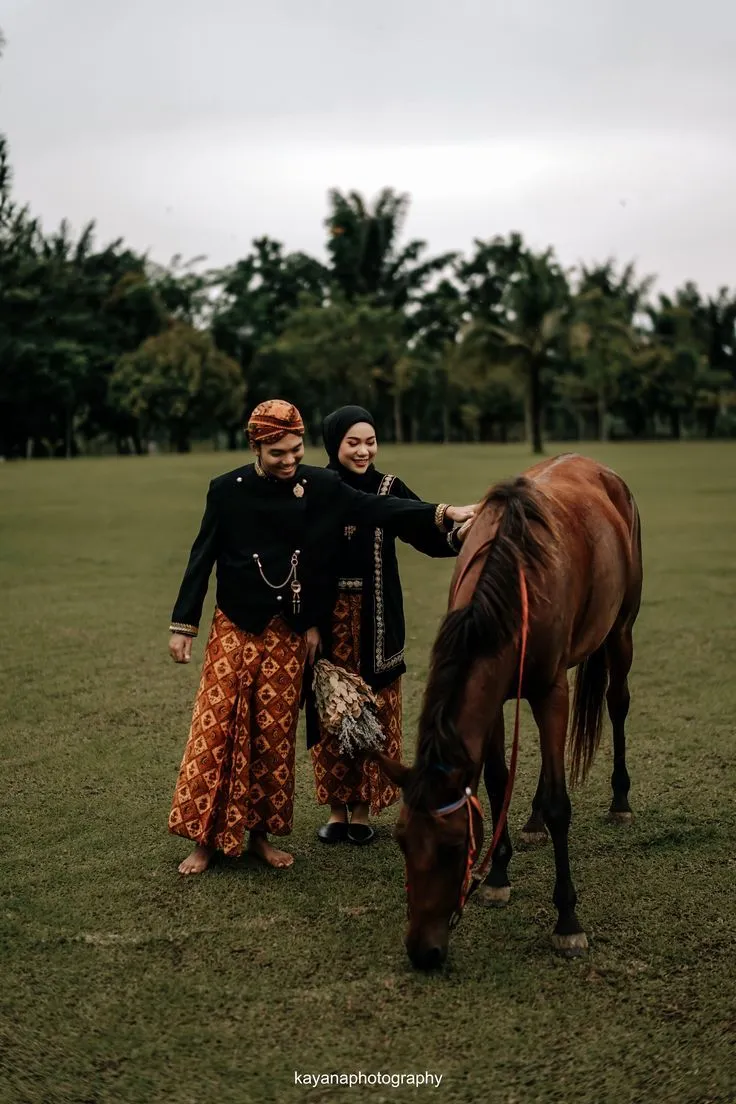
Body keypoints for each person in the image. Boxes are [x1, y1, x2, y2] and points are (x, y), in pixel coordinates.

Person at [167, 399, 474, 875]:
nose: (289, 460)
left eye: (296, 450)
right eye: (278, 453)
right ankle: (205, 842)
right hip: (235, 626)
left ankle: (260, 838)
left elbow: (378, 506)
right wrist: (182, 625)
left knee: (274, 740)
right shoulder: (226, 489)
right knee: (218, 731)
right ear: (256, 447)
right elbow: (201, 556)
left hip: (288, 633)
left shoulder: (318, 484)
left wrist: (446, 511)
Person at [310, 406, 464, 845]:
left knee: (375, 712)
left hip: (378, 622)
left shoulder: (388, 488)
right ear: (334, 444)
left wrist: (459, 534)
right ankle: (336, 810)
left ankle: (362, 811)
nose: (364, 451)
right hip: (327, 625)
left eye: (370, 441)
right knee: (332, 710)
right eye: (353, 443)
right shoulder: (317, 488)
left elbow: (423, 529)